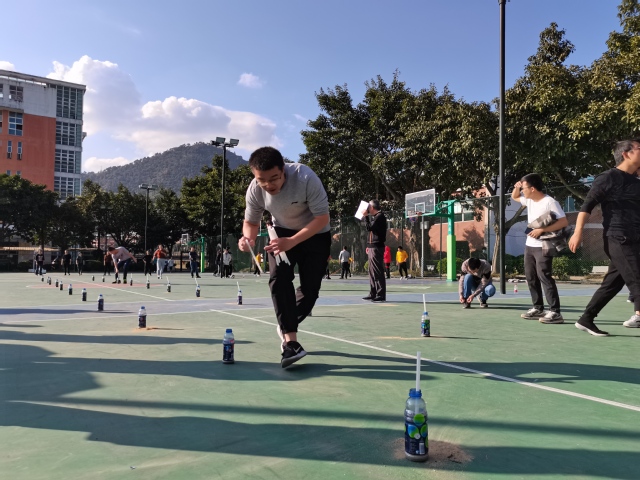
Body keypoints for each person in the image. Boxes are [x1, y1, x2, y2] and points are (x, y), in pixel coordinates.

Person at [238, 146, 330, 368]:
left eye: (274, 179)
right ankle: (291, 343)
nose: (268, 185)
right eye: (262, 180)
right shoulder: (255, 189)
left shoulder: (305, 177)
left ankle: (285, 322)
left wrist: (293, 241)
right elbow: (250, 222)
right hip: (280, 233)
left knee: (310, 292)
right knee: (279, 279)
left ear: (283, 170)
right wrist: (248, 239)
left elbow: (322, 218)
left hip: (315, 233)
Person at [569, 139, 640, 336]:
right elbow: (587, 206)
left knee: (612, 284)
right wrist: (578, 232)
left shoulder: (635, 181)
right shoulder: (609, 177)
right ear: (626, 153)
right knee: (637, 280)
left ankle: (586, 319)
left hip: (634, 238)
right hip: (618, 237)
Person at [511, 174, 568, 324]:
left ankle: (555, 312)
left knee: (544, 276)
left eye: (524, 188)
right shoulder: (529, 200)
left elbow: (563, 221)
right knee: (531, 277)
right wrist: (517, 187)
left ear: (533, 188)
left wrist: (542, 230)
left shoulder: (550, 202)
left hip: (543, 245)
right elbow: (515, 197)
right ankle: (538, 308)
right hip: (529, 245)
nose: (522, 191)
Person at [361, 200, 387, 302]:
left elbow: (369, 228)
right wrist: (369, 245)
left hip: (377, 247)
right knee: (371, 271)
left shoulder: (380, 217)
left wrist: (366, 217)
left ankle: (380, 294)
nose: (367, 209)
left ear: (372, 207)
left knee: (377, 270)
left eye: (368, 207)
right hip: (372, 246)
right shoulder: (375, 217)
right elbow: (371, 231)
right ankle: (373, 293)